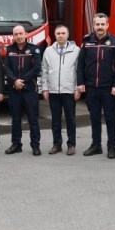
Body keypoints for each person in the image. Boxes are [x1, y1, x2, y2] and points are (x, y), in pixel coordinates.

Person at [77, 13, 115, 158]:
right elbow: (80, 65)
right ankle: (96, 145)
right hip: (91, 87)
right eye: (97, 24)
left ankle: (111, 146)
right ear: (94, 25)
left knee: (110, 118)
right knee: (94, 118)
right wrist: (80, 82)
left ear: (107, 25)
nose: (100, 27)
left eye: (102, 24)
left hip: (108, 88)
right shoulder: (87, 42)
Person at [41, 25, 80, 155]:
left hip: (69, 90)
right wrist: (45, 88)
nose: (61, 35)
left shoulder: (76, 50)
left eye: (63, 33)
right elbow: (44, 70)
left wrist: (77, 89)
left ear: (68, 35)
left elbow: (78, 71)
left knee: (70, 119)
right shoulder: (48, 51)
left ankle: (71, 145)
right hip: (53, 91)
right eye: (58, 33)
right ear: (55, 35)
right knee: (55, 120)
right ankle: (57, 144)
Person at [4, 25, 43, 155]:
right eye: (16, 34)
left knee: (33, 119)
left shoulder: (34, 49)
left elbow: (36, 68)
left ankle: (35, 145)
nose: (19, 36)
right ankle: (16, 144)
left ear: (26, 34)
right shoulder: (9, 49)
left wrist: (22, 81)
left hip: (29, 90)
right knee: (15, 119)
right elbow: (6, 68)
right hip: (14, 90)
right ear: (13, 36)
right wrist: (15, 80)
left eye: (21, 33)